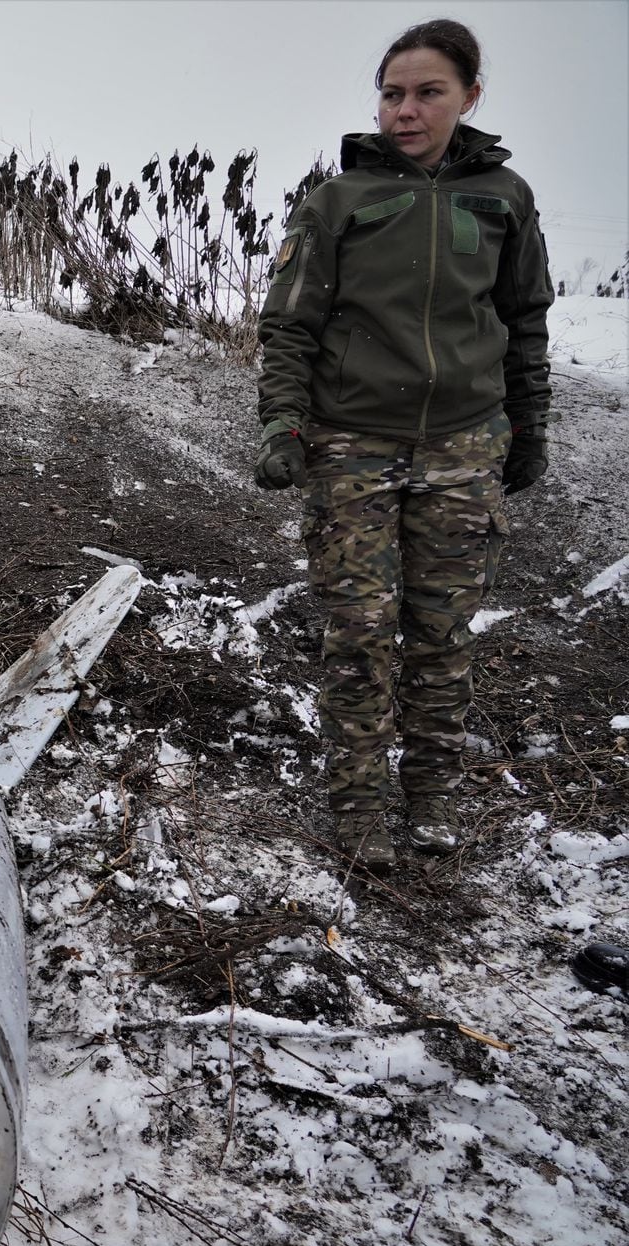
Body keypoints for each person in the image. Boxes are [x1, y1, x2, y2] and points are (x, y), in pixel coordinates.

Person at [251, 19, 553, 873]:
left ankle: (429, 801)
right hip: (353, 448)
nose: (406, 111)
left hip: (464, 447)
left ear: (469, 98)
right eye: (392, 94)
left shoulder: (505, 199)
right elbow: (288, 327)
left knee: (440, 632)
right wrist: (284, 424)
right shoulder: (336, 202)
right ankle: (358, 812)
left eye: (428, 93)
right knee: (359, 631)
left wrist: (529, 427)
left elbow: (525, 321)